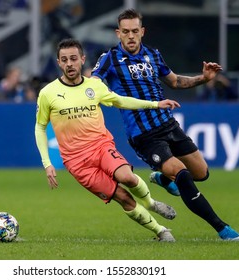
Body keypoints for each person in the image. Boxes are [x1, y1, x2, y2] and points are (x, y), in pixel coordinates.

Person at [91, 9, 239, 241]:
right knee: (182, 175)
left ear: (142, 32)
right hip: (144, 135)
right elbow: (92, 84)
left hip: (168, 125)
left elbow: (174, 81)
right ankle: (222, 229)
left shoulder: (153, 54)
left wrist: (203, 78)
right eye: (125, 32)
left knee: (201, 173)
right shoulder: (109, 59)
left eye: (135, 31)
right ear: (118, 33)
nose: (130, 36)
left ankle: (162, 179)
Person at [35, 38, 181, 242]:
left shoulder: (95, 86)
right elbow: (40, 127)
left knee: (127, 177)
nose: (69, 64)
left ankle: (150, 203)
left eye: (74, 59)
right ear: (59, 63)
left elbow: (121, 100)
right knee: (122, 198)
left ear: (82, 60)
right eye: (65, 60)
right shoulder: (47, 93)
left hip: (101, 146)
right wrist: (47, 163)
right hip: (77, 162)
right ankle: (160, 231)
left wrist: (155, 104)